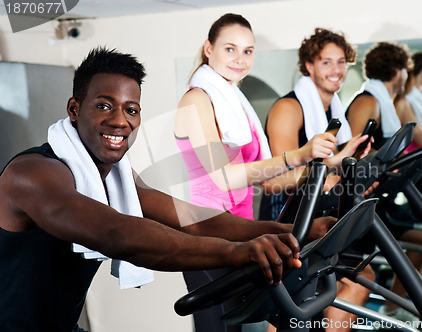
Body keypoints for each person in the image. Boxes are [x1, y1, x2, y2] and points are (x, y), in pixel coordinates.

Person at [0, 47, 336, 332]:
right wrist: (234, 252)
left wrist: (293, 232)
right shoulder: (32, 174)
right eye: (104, 105)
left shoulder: (116, 177)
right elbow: (115, 232)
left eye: (131, 109)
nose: (120, 120)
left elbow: (193, 219)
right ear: (74, 110)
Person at [174, 14, 367, 332]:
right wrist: (300, 155)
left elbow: (268, 176)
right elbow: (226, 177)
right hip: (206, 232)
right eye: (230, 49)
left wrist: (331, 162)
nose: (240, 60)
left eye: (248, 51)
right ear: (209, 49)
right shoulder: (197, 100)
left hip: (238, 227)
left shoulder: (235, 102)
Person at [259, 28, 374, 332]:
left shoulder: (333, 110)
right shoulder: (290, 108)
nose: (336, 70)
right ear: (309, 66)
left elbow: (326, 167)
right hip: (285, 220)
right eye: (326, 62)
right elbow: (276, 178)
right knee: (298, 300)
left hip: (318, 217)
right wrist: (327, 180)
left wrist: (348, 167)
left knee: (359, 279)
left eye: (341, 62)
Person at [346, 42, 422, 323]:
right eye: (405, 71)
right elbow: (355, 154)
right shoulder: (368, 101)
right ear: (398, 71)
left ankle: (395, 307)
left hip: (382, 198)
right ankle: (395, 309)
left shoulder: (387, 102)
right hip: (360, 203)